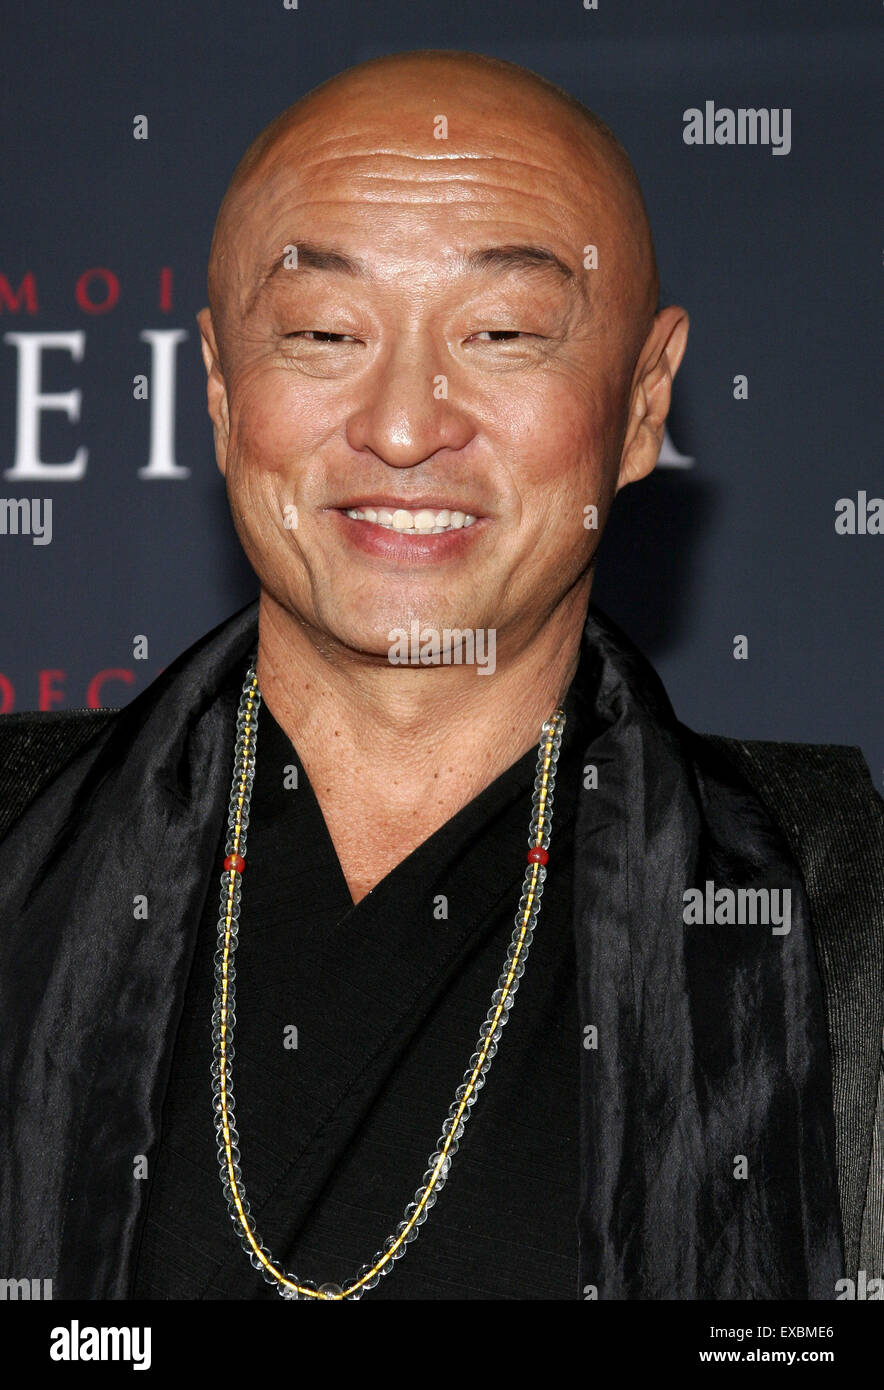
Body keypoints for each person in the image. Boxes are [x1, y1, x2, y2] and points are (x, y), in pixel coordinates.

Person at [0, 50, 880, 1302]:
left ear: (641, 401)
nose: (405, 424)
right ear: (214, 389)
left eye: (502, 334)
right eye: (320, 332)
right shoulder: (25, 845)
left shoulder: (831, 922)